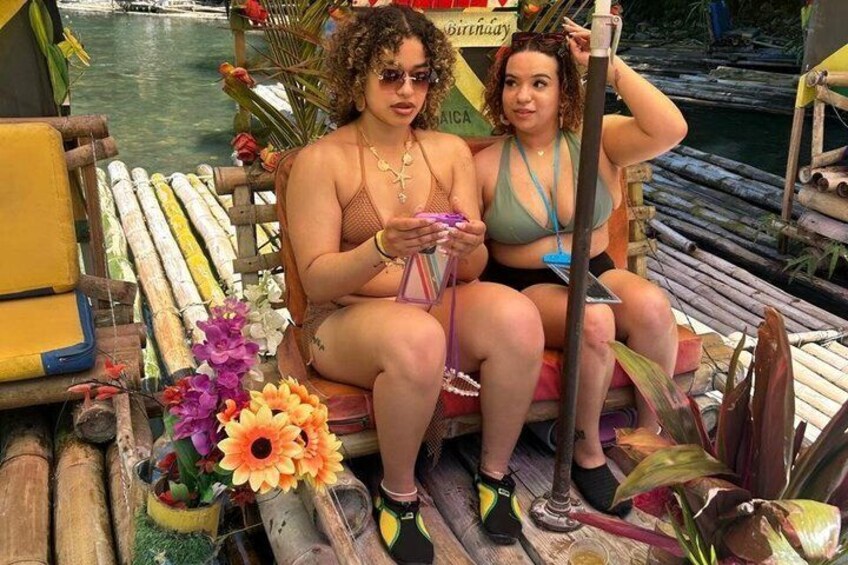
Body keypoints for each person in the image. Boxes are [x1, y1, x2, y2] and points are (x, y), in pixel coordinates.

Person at [286, 6, 545, 563]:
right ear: (356, 77)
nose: (407, 90)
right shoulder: (322, 161)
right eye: (390, 74)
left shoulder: (448, 152)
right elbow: (317, 280)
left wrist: (469, 245)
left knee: (518, 317)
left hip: (433, 297)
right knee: (416, 337)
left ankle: (495, 474)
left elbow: (470, 272)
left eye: (420, 76)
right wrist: (381, 246)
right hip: (342, 319)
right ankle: (399, 493)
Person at [475, 20, 688, 517]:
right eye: (512, 83)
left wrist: (611, 67)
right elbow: (477, 251)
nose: (522, 96)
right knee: (593, 320)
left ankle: (648, 438)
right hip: (526, 286)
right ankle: (586, 449)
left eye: (539, 83)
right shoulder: (486, 164)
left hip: (593, 268)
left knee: (653, 306)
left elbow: (671, 129)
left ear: (563, 89)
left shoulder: (596, 138)